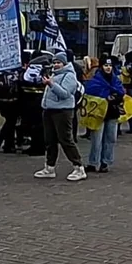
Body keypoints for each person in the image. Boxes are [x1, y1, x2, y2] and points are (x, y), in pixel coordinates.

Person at [33, 52, 89, 181]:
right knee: (50, 140)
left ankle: (78, 167)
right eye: (55, 62)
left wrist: (51, 84)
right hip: (49, 110)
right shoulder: (53, 74)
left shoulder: (69, 76)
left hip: (63, 111)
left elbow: (65, 94)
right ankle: (49, 167)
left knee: (65, 140)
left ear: (64, 63)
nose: (56, 65)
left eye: (59, 62)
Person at [83, 56, 127, 174]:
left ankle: (105, 162)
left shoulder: (115, 80)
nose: (108, 68)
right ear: (101, 67)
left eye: (110, 66)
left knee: (110, 138)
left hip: (112, 113)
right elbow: (91, 92)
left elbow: (121, 93)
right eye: (106, 65)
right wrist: (108, 96)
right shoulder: (95, 80)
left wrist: (113, 97)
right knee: (96, 139)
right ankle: (93, 162)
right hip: (98, 114)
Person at [18, 52, 50, 155]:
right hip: (42, 100)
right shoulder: (46, 69)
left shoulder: (31, 70)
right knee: (40, 126)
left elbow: (22, 81)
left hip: (31, 101)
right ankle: (39, 146)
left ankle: (37, 148)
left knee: (35, 126)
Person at [0, 64, 21, 153]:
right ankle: (5, 144)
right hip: (11, 101)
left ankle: (6, 144)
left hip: (4, 101)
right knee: (10, 122)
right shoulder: (13, 75)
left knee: (10, 122)